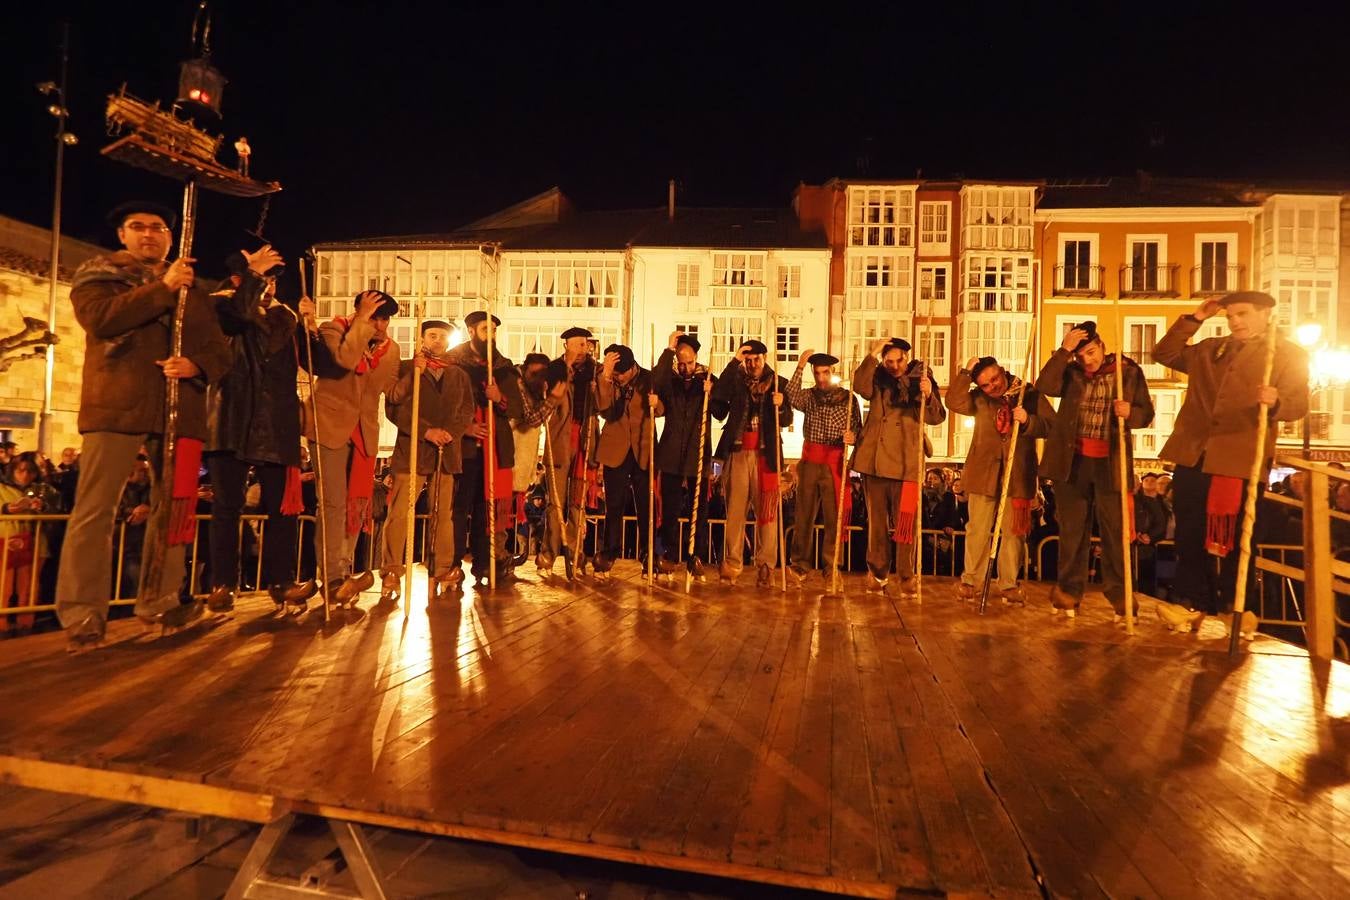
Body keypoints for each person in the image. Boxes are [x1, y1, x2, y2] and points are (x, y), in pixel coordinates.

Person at [56, 200, 232, 651]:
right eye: (138, 227)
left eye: (158, 228)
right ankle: (83, 611)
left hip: (179, 409)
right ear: (122, 235)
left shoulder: (194, 291)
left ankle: (161, 599)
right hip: (117, 404)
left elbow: (219, 351)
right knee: (95, 509)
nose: (149, 234)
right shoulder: (100, 275)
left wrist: (196, 365)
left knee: (174, 508)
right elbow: (101, 319)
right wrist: (163, 288)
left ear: (171, 239)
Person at [1151, 291, 1308, 638]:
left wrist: (1277, 400)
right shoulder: (1210, 348)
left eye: (1242, 314)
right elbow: (1164, 353)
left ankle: (1238, 607)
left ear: (1265, 314)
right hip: (1194, 450)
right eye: (1230, 316)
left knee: (1240, 535)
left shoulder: (1288, 354)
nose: (1235, 321)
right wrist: (1196, 318)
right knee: (1189, 530)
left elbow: (1299, 404)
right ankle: (1192, 602)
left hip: (1240, 456)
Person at [203, 247, 322, 614]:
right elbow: (237, 317)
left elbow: (321, 366)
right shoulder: (222, 304)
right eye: (262, 278)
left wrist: (311, 327)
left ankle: (281, 581)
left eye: (271, 279)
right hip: (233, 418)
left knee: (281, 510)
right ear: (242, 278)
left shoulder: (284, 317)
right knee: (228, 506)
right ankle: (222, 583)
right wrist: (252, 276)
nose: (269, 286)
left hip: (277, 422)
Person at [1035, 321, 1154, 620]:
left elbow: (1146, 413)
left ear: (1101, 346)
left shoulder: (1127, 371)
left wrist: (1132, 412)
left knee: (1115, 533)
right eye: (1081, 356)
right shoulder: (1071, 372)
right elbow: (1045, 386)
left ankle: (1121, 596)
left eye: (1090, 352)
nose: (1087, 360)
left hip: (1110, 464)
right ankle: (1068, 593)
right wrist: (1063, 352)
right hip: (1072, 463)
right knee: (1073, 533)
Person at [311, 289, 402, 605]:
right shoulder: (333, 329)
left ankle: (344, 571)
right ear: (360, 311)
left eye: (385, 318)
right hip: (330, 425)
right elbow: (344, 360)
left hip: (364, 432)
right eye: (374, 315)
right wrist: (361, 322)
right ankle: (332, 576)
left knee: (356, 506)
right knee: (333, 503)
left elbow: (391, 392)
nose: (380, 324)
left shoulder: (391, 351)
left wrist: (413, 374)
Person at [946, 355, 1055, 605]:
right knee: (977, 530)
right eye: (985, 384)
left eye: (995, 379)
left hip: (1017, 473)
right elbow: (953, 401)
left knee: (1013, 532)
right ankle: (971, 580)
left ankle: (1008, 583)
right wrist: (965, 372)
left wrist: (1028, 420)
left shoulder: (1029, 394)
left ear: (1002, 371)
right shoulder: (979, 399)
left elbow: (1051, 425)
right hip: (983, 472)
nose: (993, 386)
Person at [380, 320, 474, 598]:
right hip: (412, 450)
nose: (437, 341)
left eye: (443, 337)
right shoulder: (408, 368)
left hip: (446, 452)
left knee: (442, 514)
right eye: (432, 336)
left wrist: (451, 433)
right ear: (421, 339)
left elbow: (466, 410)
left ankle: (443, 566)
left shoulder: (458, 374)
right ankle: (392, 570)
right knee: (400, 512)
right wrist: (426, 431)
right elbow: (394, 409)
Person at [851, 338, 946, 594]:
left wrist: (928, 394)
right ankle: (878, 571)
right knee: (877, 523)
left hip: (906, 461)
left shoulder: (922, 378)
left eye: (898, 360)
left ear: (907, 356)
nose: (894, 366)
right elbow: (859, 386)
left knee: (905, 522)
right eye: (888, 361)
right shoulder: (876, 377)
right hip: (875, 461)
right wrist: (871, 353)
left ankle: (906, 575)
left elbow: (937, 417)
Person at [446, 311, 523, 586]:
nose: (489, 335)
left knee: (486, 509)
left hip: (494, 448)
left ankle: (484, 563)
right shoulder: (453, 361)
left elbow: (516, 407)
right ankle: (452, 563)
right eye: (484, 329)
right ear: (470, 331)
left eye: (493, 330)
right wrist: (465, 427)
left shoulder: (503, 366)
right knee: (457, 508)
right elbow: (445, 403)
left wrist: (498, 396)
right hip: (464, 448)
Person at [709, 339, 791, 587]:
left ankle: (766, 565)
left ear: (764, 359)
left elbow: (786, 420)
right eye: (748, 359)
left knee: (767, 513)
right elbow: (718, 406)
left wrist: (781, 406)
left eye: (756, 359)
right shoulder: (735, 380)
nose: (752, 363)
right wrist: (733, 362)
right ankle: (732, 564)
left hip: (766, 456)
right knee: (735, 512)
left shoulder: (779, 383)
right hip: (737, 451)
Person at [785, 350, 861, 583]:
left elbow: (858, 428)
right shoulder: (809, 396)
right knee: (803, 515)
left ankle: (832, 564)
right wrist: (799, 365)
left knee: (833, 517)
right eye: (816, 373)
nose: (821, 378)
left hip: (834, 462)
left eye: (825, 373)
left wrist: (852, 436)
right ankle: (800, 564)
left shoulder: (848, 399)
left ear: (833, 372)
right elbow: (791, 396)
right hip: (810, 460)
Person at [651, 332, 717, 578]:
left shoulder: (708, 379)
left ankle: (695, 556)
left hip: (696, 454)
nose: (686, 367)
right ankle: (668, 554)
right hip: (670, 452)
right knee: (669, 509)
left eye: (690, 362)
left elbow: (721, 410)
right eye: (681, 361)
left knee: (698, 509)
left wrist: (711, 391)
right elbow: (655, 383)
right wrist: (668, 349)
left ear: (696, 359)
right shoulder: (671, 380)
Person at [538, 327, 601, 576]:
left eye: (585, 344)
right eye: (577, 344)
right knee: (556, 501)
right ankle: (550, 551)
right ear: (566, 345)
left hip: (585, 438)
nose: (582, 349)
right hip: (560, 438)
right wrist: (567, 366)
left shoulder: (594, 370)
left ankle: (575, 551)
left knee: (577, 501)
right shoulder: (555, 368)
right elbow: (547, 395)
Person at [594, 343, 656, 576]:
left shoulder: (649, 378)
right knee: (614, 506)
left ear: (632, 369)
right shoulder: (606, 379)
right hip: (615, 450)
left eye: (621, 374)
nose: (619, 378)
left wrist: (656, 403)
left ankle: (648, 553)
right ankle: (609, 552)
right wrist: (606, 377)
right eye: (615, 373)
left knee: (645, 506)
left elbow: (661, 410)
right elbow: (602, 408)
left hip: (642, 449)